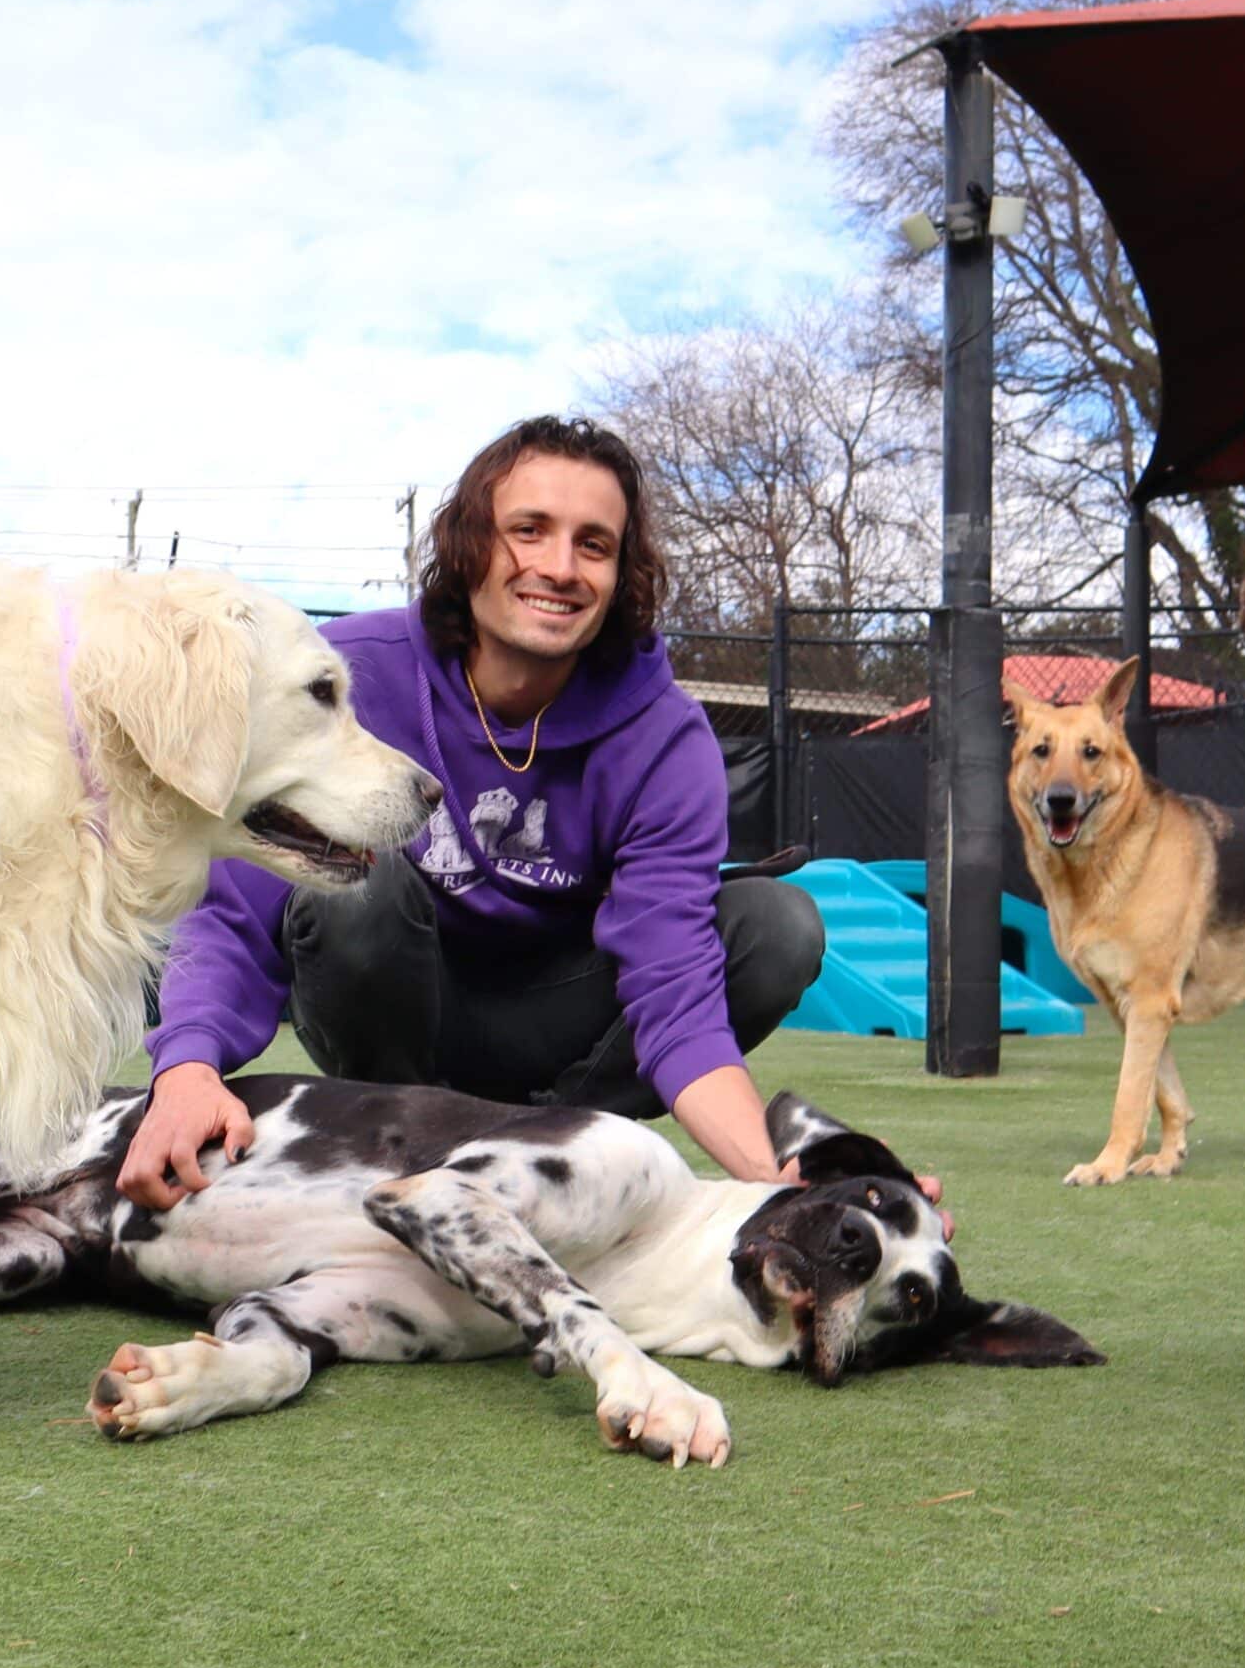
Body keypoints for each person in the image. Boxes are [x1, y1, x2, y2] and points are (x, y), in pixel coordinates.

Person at [119, 416, 833, 1210]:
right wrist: (184, 1073)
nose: (559, 567)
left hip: (560, 1018)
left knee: (777, 925)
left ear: (621, 572)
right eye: (528, 530)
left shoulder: (665, 738)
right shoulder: (347, 675)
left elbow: (676, 991)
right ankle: (396, 1140)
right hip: (397, 1009)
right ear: (469, 545)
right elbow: (233, 911)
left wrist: (775, 1181)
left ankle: (553, 1141)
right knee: (361, 888)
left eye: (593, 545)